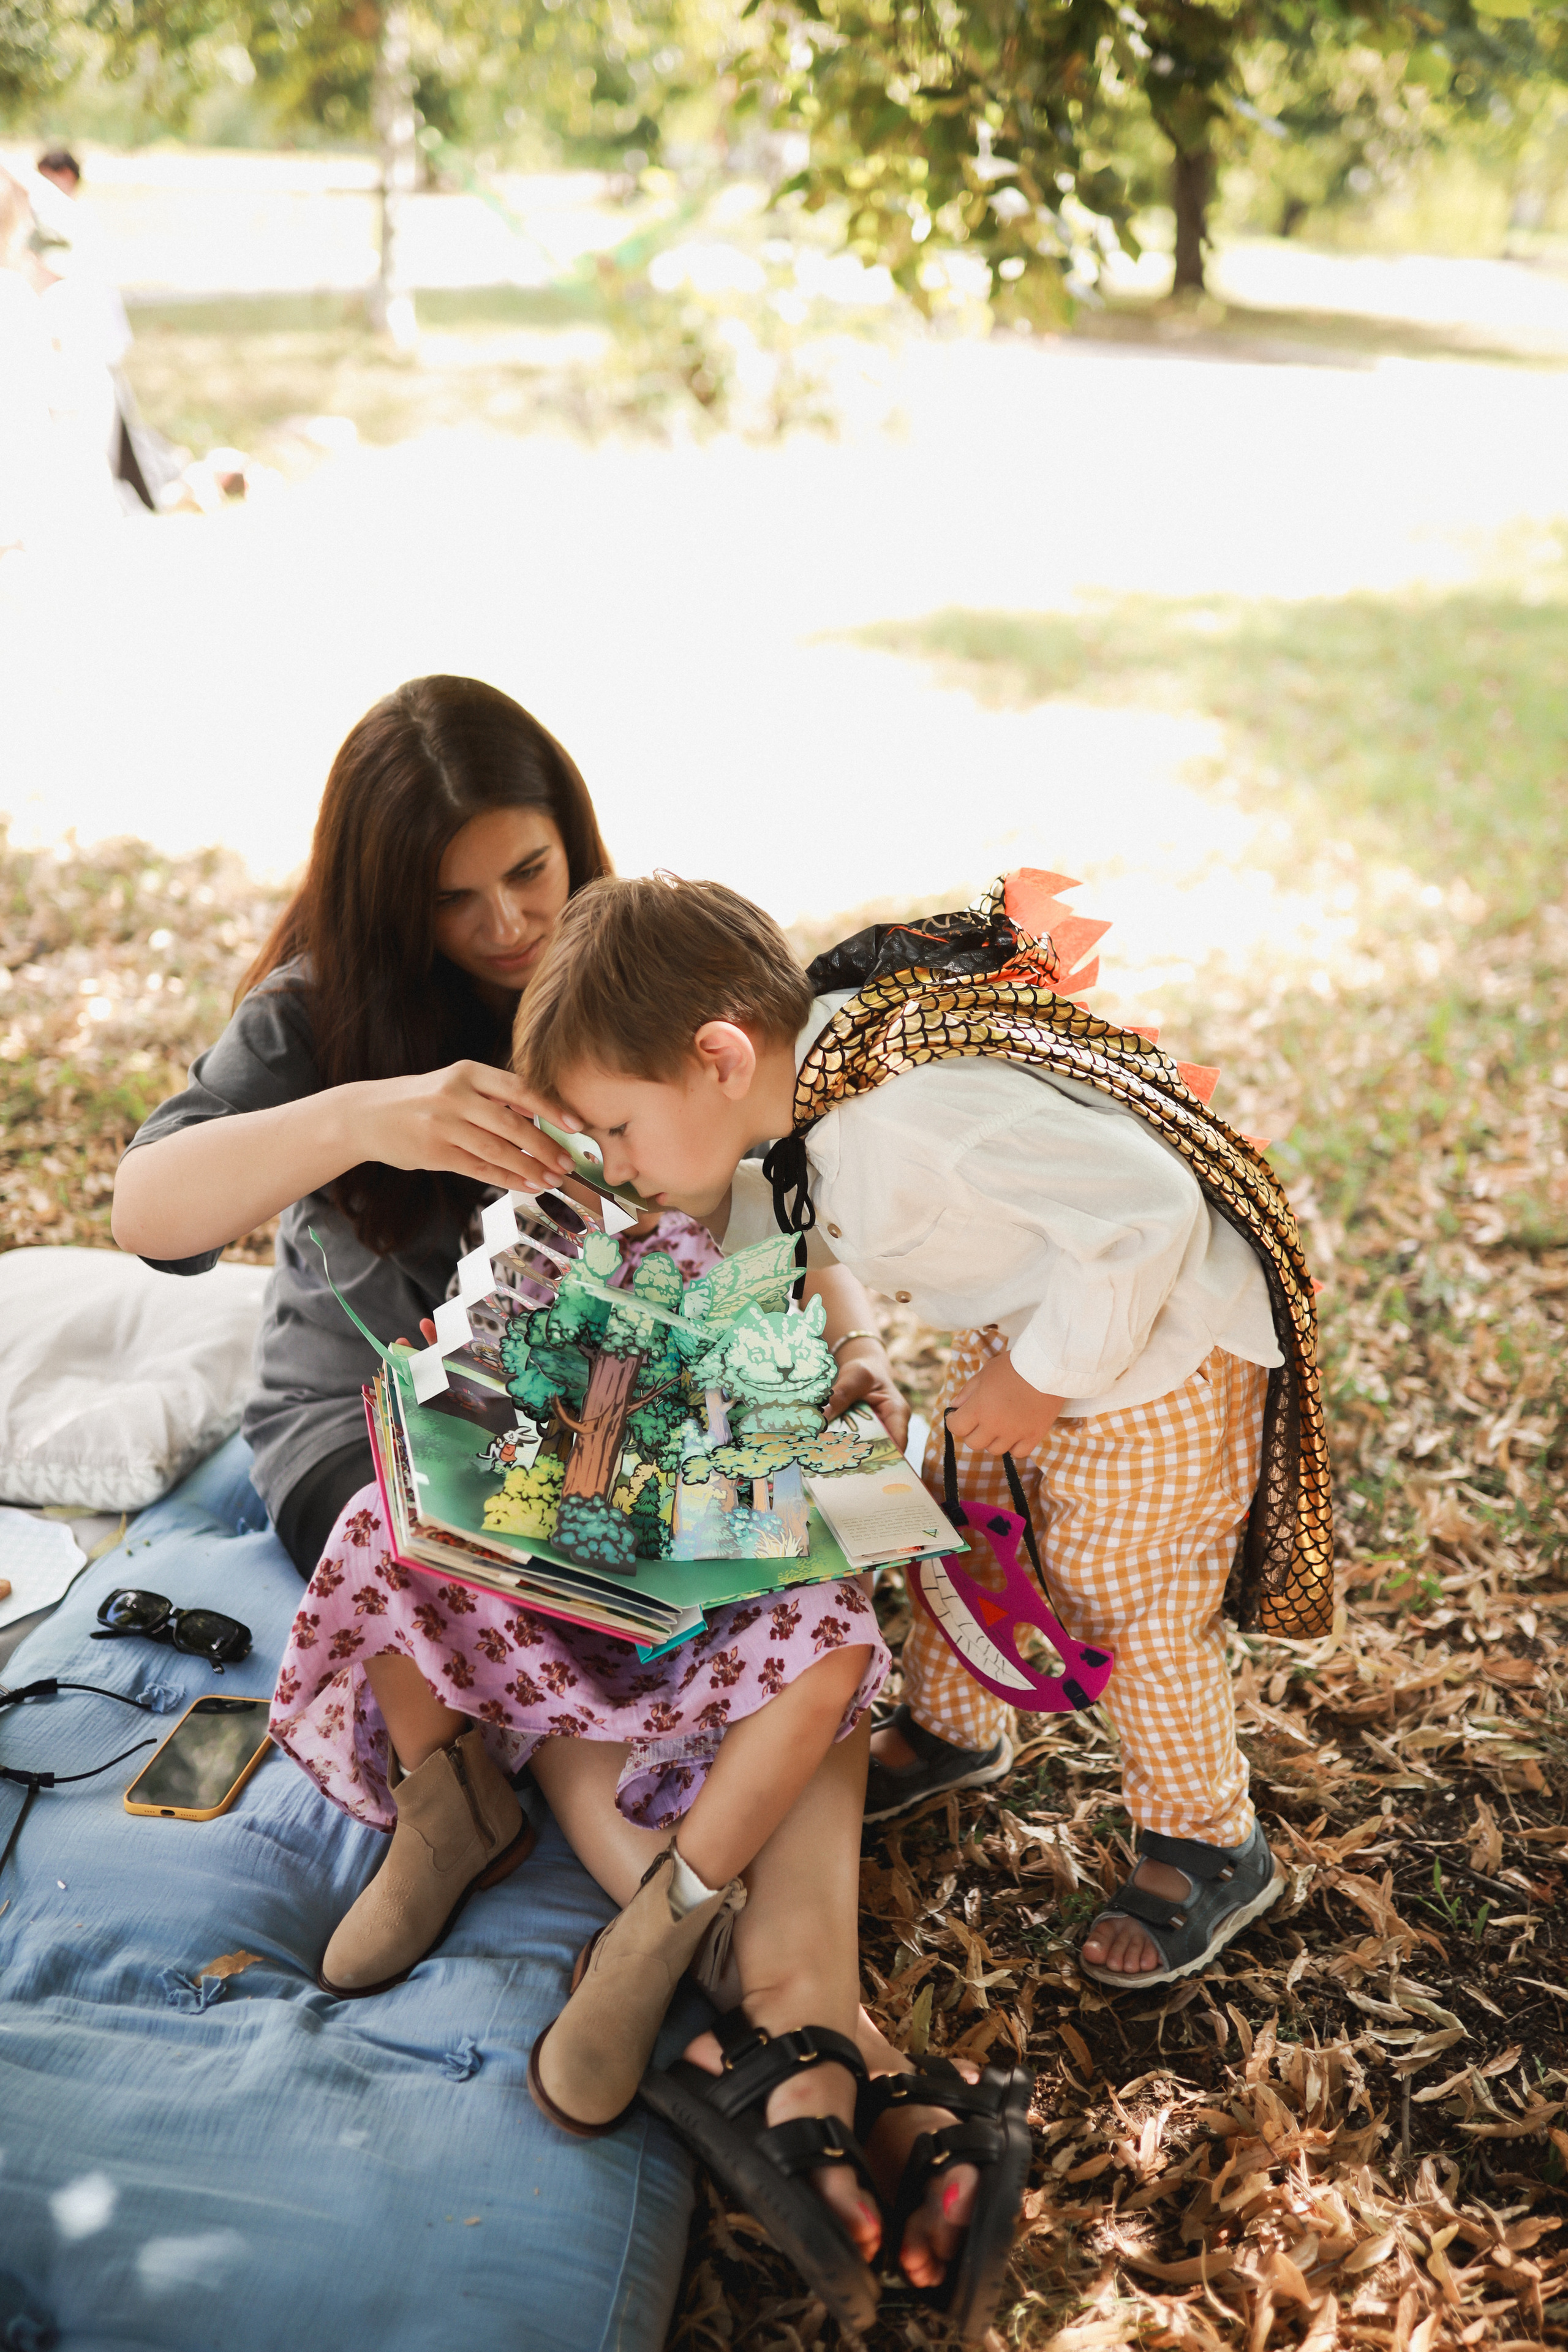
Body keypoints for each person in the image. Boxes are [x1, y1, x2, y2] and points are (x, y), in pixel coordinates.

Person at [111, 681, 992, 2331]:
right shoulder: (317, 1018)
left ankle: (814, 2032)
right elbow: (146, 1212)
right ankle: (575, 1875)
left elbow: (773, 1201)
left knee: (787, 1596)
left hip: (648, 1438)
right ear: (387, 906)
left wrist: (851, 1354)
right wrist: (369, 1115)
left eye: (531, 870)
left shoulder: (629, 975)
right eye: (456, 899)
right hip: (395, 1444)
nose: (510, 925)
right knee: (584, 1627)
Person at [509, 870, 1332, 2003]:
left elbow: (1152, 1212)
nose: (621, 1160)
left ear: (719, 1057)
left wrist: (1039, 1382)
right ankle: (955, 1730)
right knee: (949, 1517)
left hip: (1161, 1350)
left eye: (618, 1127)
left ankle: (1207, 1841)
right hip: (1044, 1324)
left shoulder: (905, 1118)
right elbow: (779, 1214)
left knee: (1121, 1600)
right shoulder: (803, 1095)